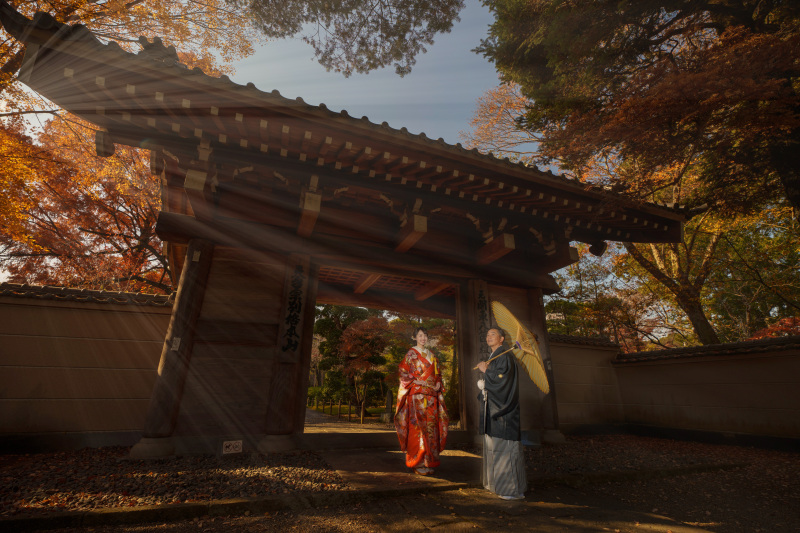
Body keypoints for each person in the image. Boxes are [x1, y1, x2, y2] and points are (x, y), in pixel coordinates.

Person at [476, 327, 527, 500]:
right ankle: (497, 485)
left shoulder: (505, 356)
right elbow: (493, 380)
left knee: (505, 449)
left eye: (493, 334)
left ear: (502, 339)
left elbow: (503, 381)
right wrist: (483, 386)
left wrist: (486, 372)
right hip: (493, 409)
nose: (488, 336)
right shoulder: (494, 357)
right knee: (494, 449)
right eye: (487, 334)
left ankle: (510, 490)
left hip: (504, 412)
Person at [394, 327, 449, 475]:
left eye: (425, 335)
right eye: (420, 335)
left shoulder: (432, 355)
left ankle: (428, 461)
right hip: (417, 395)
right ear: (414, 337)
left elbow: (438, 374)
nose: (423, 338)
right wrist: (417, 381)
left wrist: (438, 382)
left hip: (431, 395)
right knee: (417, 428)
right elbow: (403, 372)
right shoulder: (411, 354)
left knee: (431, 429)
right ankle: (416, 462)